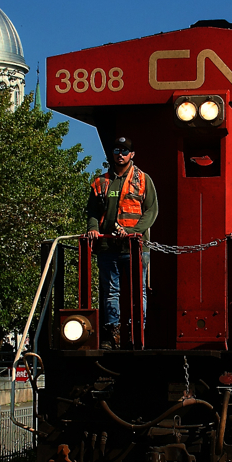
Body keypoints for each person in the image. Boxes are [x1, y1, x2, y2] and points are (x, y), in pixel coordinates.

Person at [85, 136, 158, 348]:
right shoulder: (101, 181)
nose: (120, 154)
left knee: (138, 291)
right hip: (108, 247)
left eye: (125, 150)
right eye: (117, 150)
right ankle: (112, 333)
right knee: (110, 291)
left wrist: (134, 231)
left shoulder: (143, 180)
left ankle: (138, 333)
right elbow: (92, 210)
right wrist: (92, 229)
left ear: (132, 155)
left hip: (135, 247)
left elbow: (152, 210)